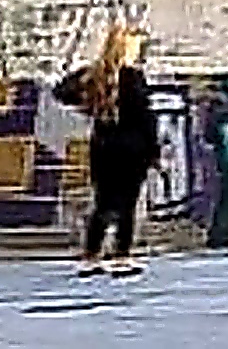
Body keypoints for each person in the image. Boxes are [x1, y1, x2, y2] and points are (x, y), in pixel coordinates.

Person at [64, 24, 160, 278]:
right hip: (131, 149)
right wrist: (154, 152)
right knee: (128, 204)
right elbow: (145, 117)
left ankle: (91, 256)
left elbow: (62, 91)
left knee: (102, 203)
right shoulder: (133, 77)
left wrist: (87, 104)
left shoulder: (94, 74)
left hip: (103, 147)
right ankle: (121, 256)